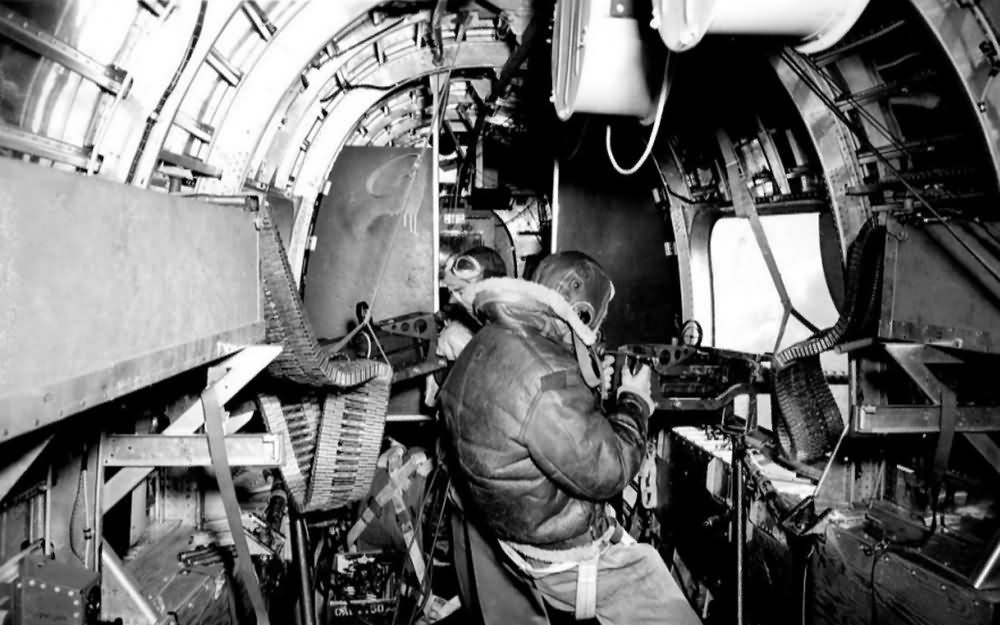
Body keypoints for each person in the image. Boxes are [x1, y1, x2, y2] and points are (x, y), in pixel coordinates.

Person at [438, 251, 701, 625]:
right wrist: (635, 402)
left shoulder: (490, 341)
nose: (600, 330)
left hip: (515, 534)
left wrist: (592, 385)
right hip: (558, 555)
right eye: (600, 319)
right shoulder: (548, 380)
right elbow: (609, 470)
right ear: (581, 313)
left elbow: (540, 421)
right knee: (656, 582)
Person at [424, 246, 508, 406]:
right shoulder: (454, 336)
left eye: (460, 291)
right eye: (451, 292)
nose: (452, 301)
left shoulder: (456, 337)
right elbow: (431, 400)